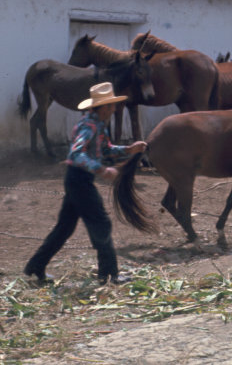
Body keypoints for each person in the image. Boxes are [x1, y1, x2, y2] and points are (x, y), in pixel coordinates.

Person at [24, 82, 148, 284]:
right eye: (112, 105)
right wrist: (101, 169)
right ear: (104, 107)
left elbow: (105, 150)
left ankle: (35, 266)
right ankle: (109, 274)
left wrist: (129, 149)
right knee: (101, 223)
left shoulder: (97, 125)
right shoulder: (89, 126)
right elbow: (76, 153)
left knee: (64, 228)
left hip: (76, 180)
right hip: (80, 181)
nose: (115, 108)